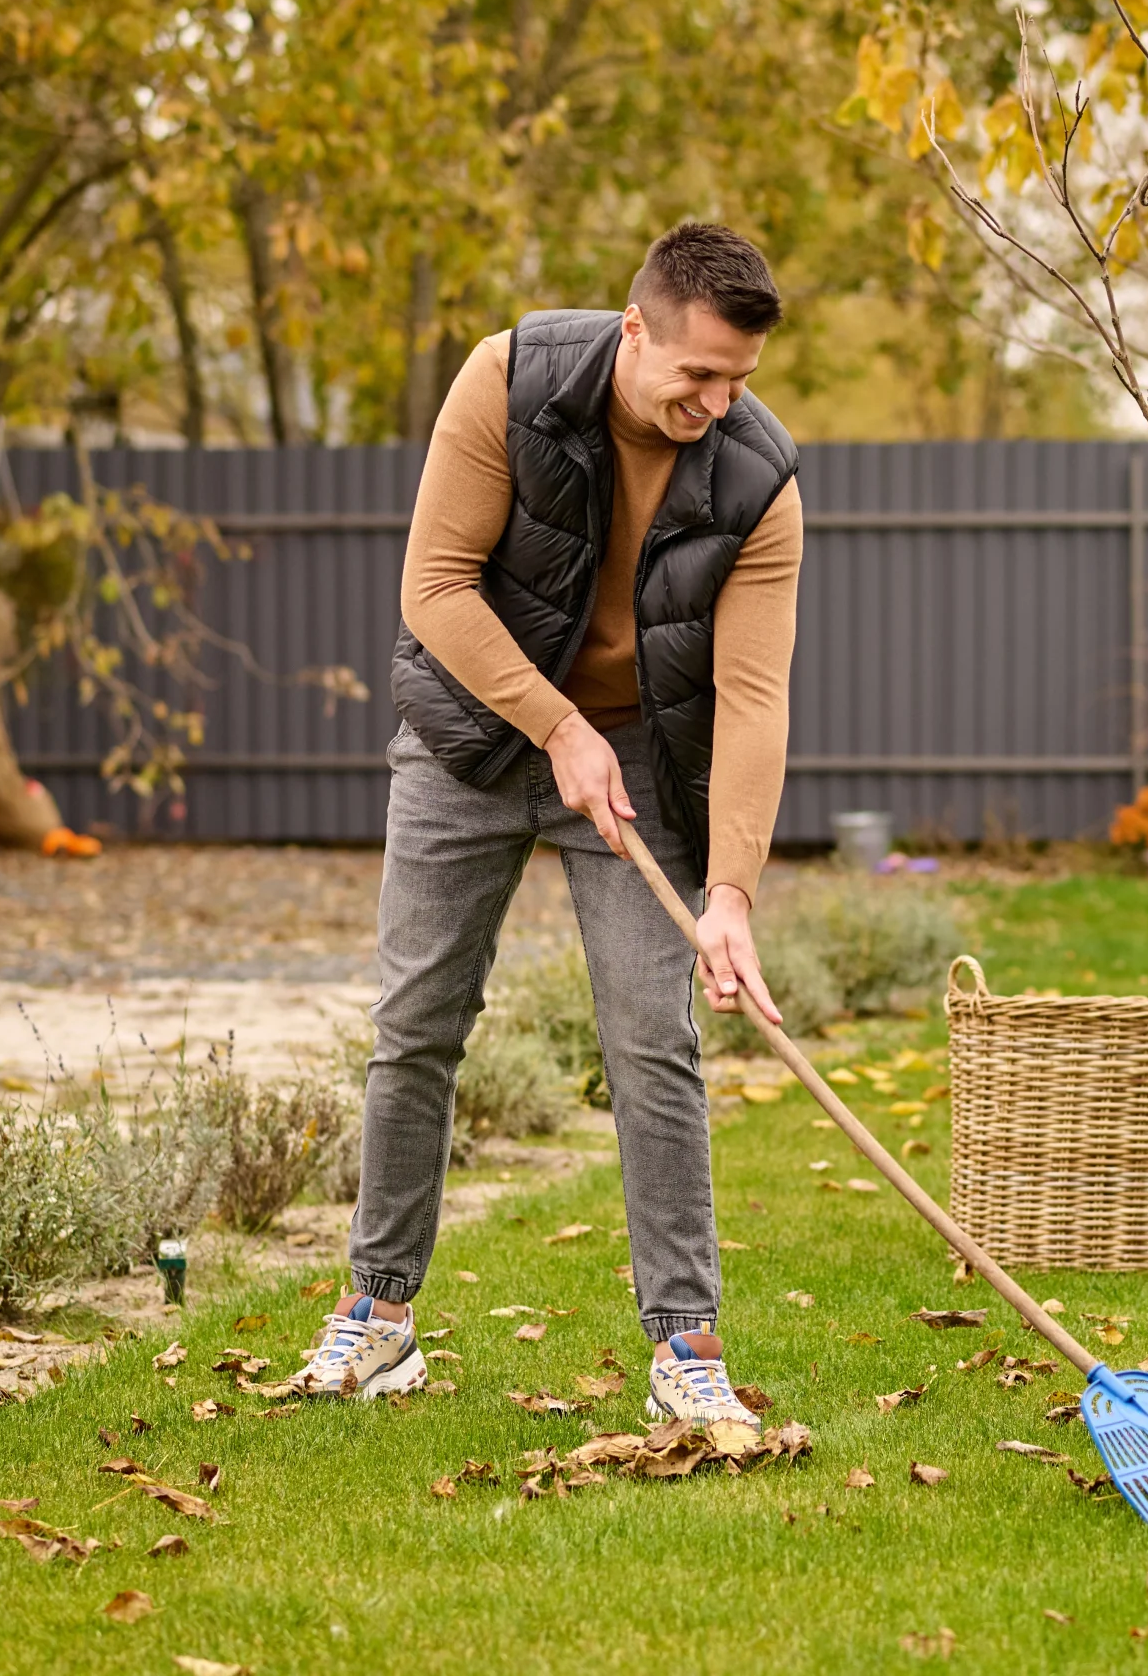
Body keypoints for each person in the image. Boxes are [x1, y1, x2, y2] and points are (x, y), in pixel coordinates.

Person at [288, 224, 801, 1450]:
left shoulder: (759, 477)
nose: (716, 404)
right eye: (696, 378)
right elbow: (435, 590)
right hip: (473, 736)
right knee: (416, 1023)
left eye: (737, 381)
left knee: (651, 1041)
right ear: (636, 332)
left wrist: (729, 889)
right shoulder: (509, 380)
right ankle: (378, 1313)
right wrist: (555, 725)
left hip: (634, 756)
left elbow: (753, 696)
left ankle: (686, 1345)